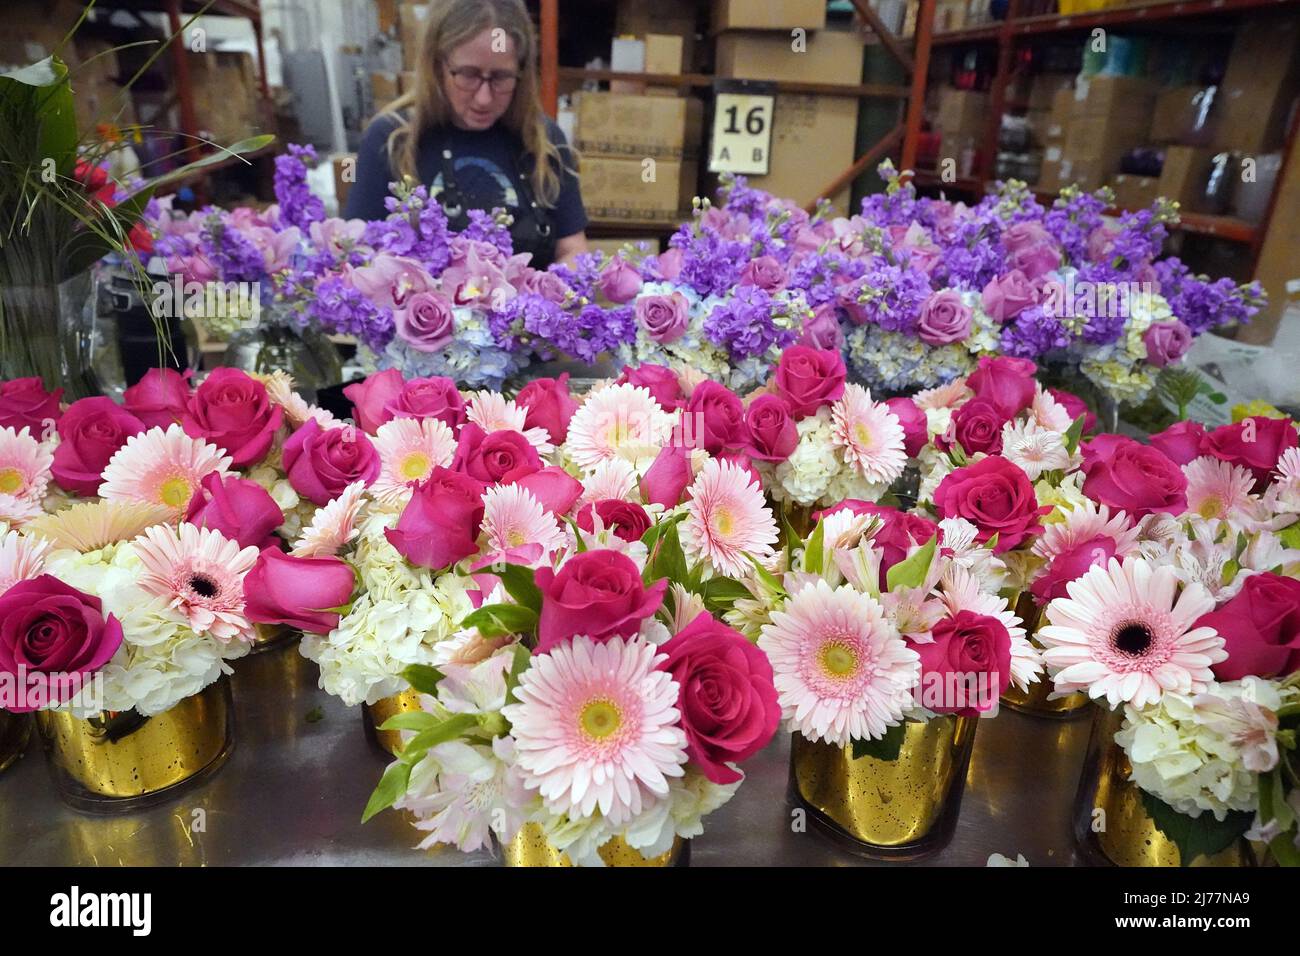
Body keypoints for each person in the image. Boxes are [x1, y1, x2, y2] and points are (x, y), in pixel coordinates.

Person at [345, 0, 588, 268]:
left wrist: (547, 292)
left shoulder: (544, 141)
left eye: (501, 78)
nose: (484, 98)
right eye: (468, 75)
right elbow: (358, 255)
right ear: (437, 66)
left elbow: (572, 249)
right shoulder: (391, 139)